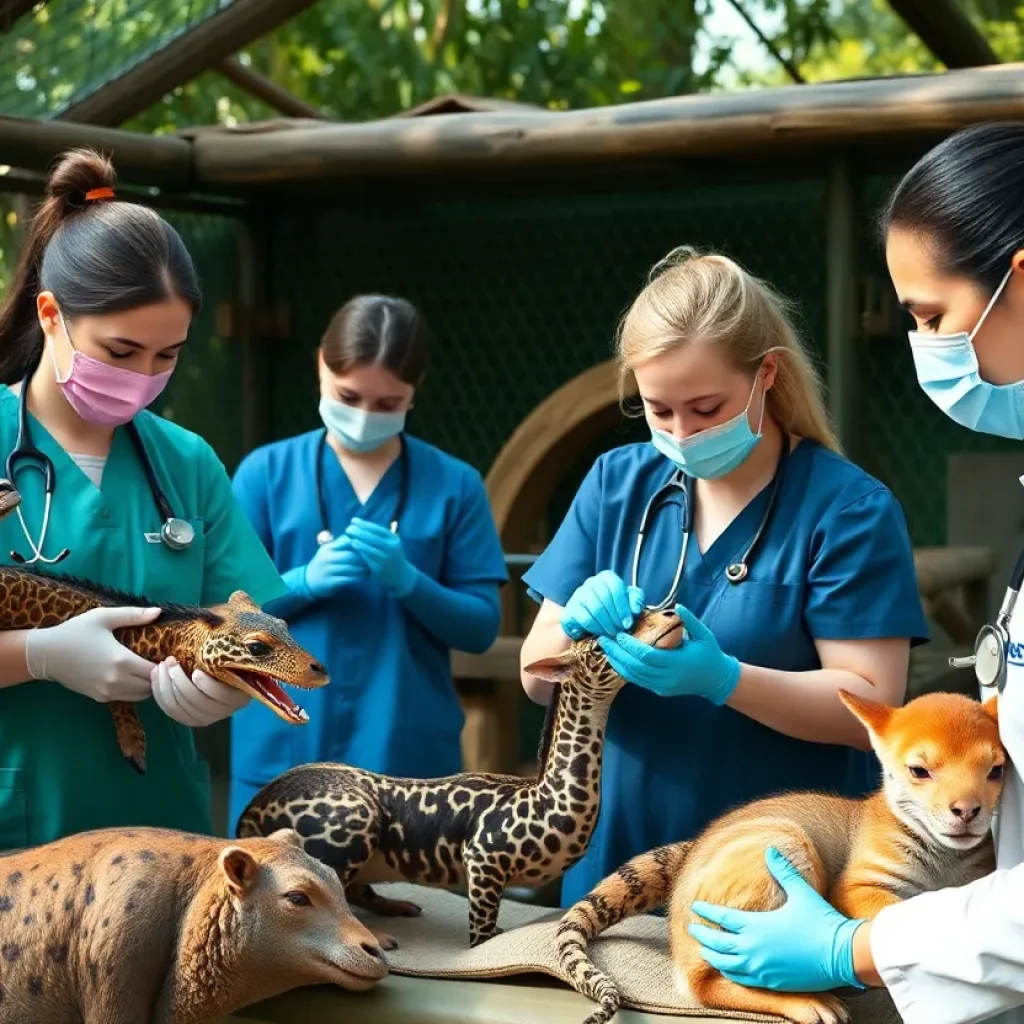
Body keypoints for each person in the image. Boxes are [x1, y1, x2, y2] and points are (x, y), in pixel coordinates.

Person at [687, 122, 1024, 1024]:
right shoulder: (626, 484)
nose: (928, 349)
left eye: (931, 317)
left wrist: (856, 948)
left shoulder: (848, 504)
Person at [518, 246, 930, 908]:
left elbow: (871, 708)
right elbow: (536, 677)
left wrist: (724, 679)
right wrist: (570, 632)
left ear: (767, 373)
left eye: (707, 408)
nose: (683, 431)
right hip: (612, 868)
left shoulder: (848, 509)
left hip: (773, 874)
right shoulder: (615, 485)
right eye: (659, 410)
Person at [0, 148, 288, 849]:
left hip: (160, 836)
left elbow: (241, 614)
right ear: (51, 316)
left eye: (169, 356)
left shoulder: (185, 462)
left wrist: (225, 687)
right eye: (121, 352)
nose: (144, 378)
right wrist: (38, 655)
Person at [227, 293, 507, 828]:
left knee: (409, 907)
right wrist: (303, 581)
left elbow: (479, 628)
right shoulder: (265, 474)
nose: (363, 416)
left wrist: (410, 581)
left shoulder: (454, 485)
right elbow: (220, 612)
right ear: (320, 367)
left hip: (405, 759)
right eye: (348, 395)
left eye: (387, 404)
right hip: (285, 746)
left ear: (413, 393)